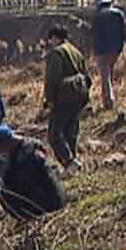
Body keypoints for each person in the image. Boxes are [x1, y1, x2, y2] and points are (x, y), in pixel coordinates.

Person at [0, 124, 64, 220]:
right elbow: (9, 175)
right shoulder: (16, 151)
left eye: (0, 150)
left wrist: (3, 187)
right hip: (39, 193)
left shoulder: (29, 154)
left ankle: (29, 218)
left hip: (50, 199)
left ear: (6, 143)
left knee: (5, 194)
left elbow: (23, 182)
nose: (1, 153)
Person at [41, 24, 92, 170]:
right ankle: (73, 161)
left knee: (54, 133)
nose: (49, 42)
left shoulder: (56, 53)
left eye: (50, 39)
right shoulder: (76, 51)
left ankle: (69, 162)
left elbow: (52, 80)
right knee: (71, 129)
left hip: (64, 96)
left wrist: (49, 100)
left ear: (55, 38)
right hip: (79, 94)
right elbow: (88, 77)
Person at [87, 0, 126, 111]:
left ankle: (109, 102)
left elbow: (92, 34)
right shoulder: (118, 14)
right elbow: (125, 31)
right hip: (115, 49)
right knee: (109, 73)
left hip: (101, 49)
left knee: (104, 76)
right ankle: (110, 97)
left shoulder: (96, 16)